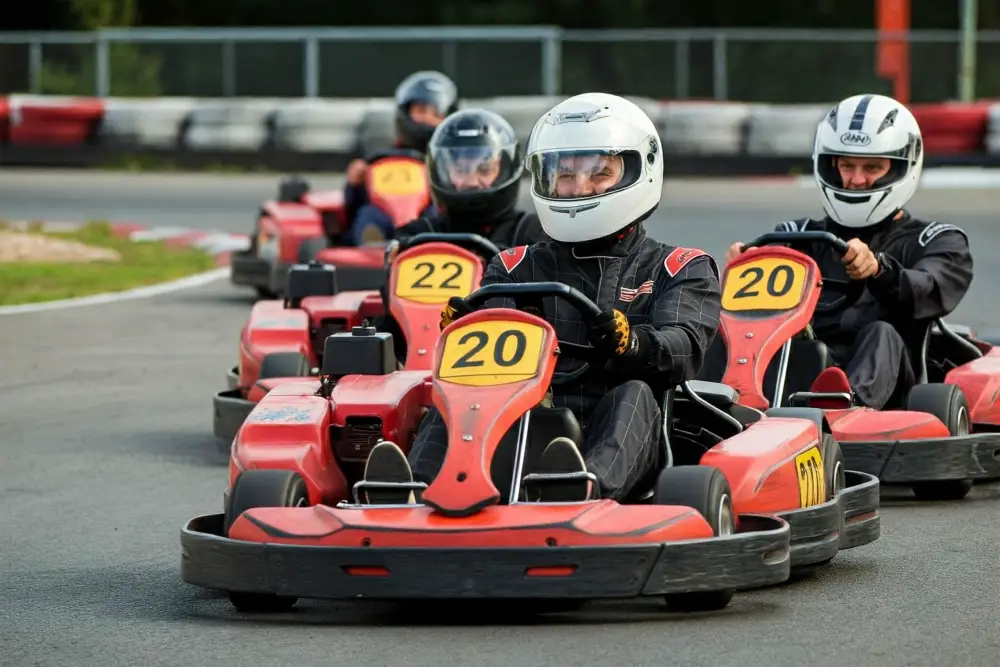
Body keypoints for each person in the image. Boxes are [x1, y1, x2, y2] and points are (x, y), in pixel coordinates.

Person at [359, 92, 723, 506]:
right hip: (523, 416)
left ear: (640, 170)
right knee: (459, 388)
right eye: (564, 174)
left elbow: (686, 347)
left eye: (599, 172)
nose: (578, 186)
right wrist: (469, 326)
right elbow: (494, 333)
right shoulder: (513, 265)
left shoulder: (678, 267)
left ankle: (583, 487)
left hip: (621, 428)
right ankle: (414, 489)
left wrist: (634, 343)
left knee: (634, 391)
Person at [723, 93, 973, 410]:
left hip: (890, 394)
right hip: (799, 375)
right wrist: (740, 268)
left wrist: (880, 270)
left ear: (901, 168)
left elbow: (930, 289)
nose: (855, 180)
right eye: (846, 165)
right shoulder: (793, 237)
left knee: (881, 332)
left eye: (871, 167)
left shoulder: (937, 240)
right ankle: (722, 401)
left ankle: (844, 405)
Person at [374, 107, 548, 362]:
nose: (471, 181)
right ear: (440, 170)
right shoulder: (418, 235)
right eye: (461, 169)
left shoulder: (532, 233)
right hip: (414, 357)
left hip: (506, 359)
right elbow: (388, 295)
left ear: (505, 169)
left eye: (484, 168)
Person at [344, 71, 460, 245]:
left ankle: (428, 245)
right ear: (405, 112)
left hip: (425, 215)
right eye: (421, 111)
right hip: (385, 217)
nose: (427, 118)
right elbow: (351, 207)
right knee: (367, 214)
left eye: (436, 114)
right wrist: (355, 183)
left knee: (437, 215)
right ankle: (371, 251)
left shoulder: (451, 160)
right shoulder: (382, 159)